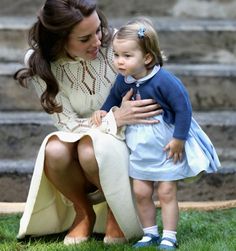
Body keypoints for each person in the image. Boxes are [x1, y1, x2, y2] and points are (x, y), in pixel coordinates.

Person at [14, 0, 162, 246]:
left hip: (130, 137)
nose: (97, 41)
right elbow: (67, 124)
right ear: (59, 40)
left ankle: (118, 212)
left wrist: (116, 122)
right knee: (55, 149)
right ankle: (84, 212)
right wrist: (113, 119)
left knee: (89, 148)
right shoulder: (39, 62)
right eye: (85, 39)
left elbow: (146, 98)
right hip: (88, 135)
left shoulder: (116, 44)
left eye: (97, 30)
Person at [91, 17, 221, 250]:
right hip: (140, 146)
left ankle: (169, 235)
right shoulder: (124, 80)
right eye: (116, 55)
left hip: (165, 144)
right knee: (141, 190)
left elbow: (184, 109)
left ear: (147, 57)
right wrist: (103, 111)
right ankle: (149, 233)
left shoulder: (164, 81)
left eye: (127, 56)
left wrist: (179, 139)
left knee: (166, 190)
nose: (119, 62)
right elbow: (113, 98)